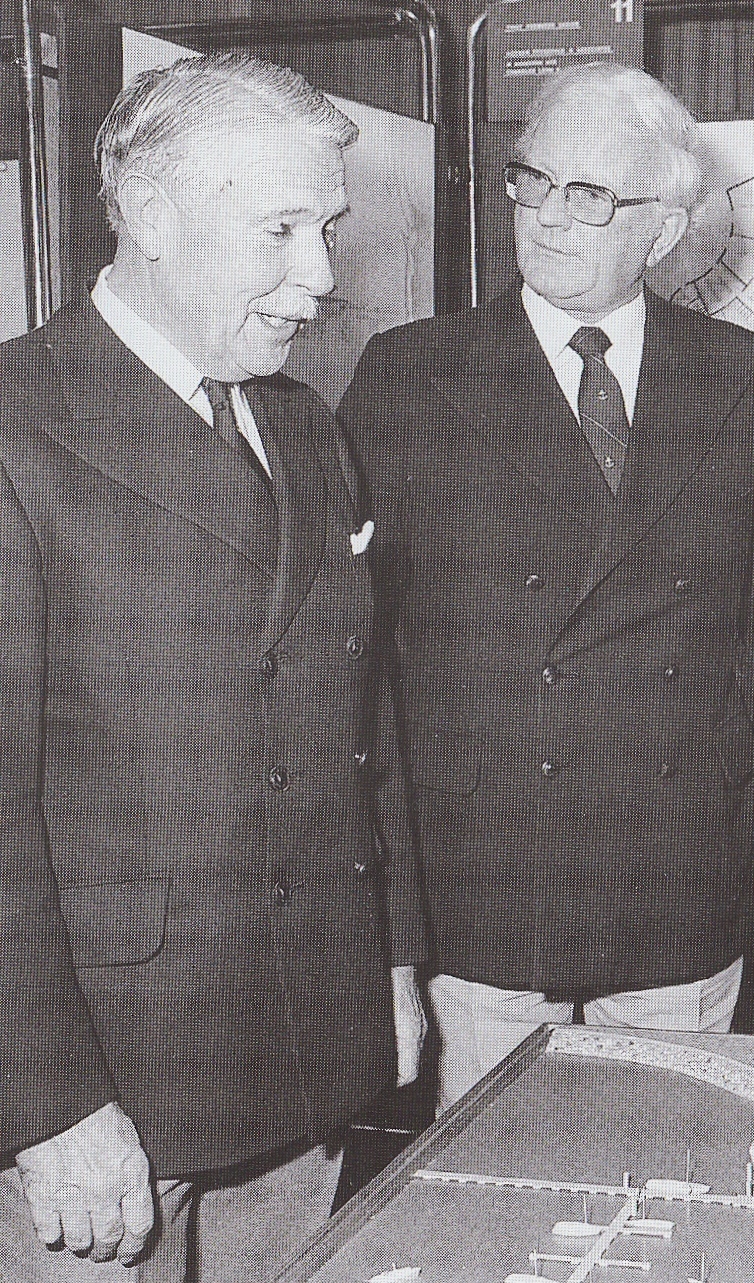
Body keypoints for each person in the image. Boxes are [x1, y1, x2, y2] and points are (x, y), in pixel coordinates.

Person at [0, 52, 426, 1283]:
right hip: (112, 1094)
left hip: (300, 1051)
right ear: (148, 212)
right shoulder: (20, 425)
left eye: (328, 227)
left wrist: (387, 965)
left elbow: (361, 727)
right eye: (282, 229)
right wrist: (46, 1106)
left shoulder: (301, 421)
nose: (323, 277)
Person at [339, 62, 754, 1113]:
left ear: (664, 227)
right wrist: (398, 897)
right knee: (501, 1202)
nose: (547, 217)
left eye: (588, 195)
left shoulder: (747, 375)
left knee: (674, 1169)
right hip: (492, 870)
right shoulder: (411, 374)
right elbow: (366, 660)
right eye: (532, 180)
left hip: (681, 858)